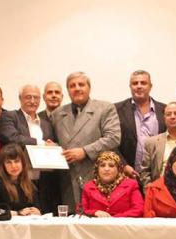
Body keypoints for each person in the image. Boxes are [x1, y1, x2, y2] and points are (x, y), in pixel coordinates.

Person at [50, 72, 122, 210]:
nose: (77, 88)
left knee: (98, 217)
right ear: (67, 90)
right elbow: (56, 142)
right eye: (72, 86)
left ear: (89, 87)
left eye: (81, 84)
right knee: (70, 219)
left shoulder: (105, 108)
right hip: (67, 181)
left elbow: (114, 137)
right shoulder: (57, 114)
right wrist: (53, 147)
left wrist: (85, 151)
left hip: (97, 177)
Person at [0, 84, 58, 211]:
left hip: (42, 182)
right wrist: (41, 143)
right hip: (17, 181)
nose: (32, 101)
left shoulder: (46, 124)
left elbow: (50, 146)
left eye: (36, 98)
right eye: (28, 97)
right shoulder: (9, 116)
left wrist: (54, 147)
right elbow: (11, 137)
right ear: (20, 98)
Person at [115, 70, 166, 178]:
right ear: (130, 86)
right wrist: (123, 165)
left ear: (150, 86)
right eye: (135, 83)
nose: (139, 86)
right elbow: (111, 142)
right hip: (126, 174)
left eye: (143, 83)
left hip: (157, 175)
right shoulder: (116, 110)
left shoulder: (164, 110)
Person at [140, 102, 176, 183]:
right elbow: (145, 172)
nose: (172, 117)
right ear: (164, 118)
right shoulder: (152, 142)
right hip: (159, 188)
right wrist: (150, 189)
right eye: (168, 114)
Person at [0, 144, 42, 215]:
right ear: (3, 165)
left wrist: (37, 212)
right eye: (8, 162)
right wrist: (16, 213)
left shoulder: (28, 183)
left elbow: (38, 209)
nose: (13, 166)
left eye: (17, 161)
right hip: (5, 222)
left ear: (23, 163)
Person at [81, 151, 144, 217]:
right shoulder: (88, 187)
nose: (106, 169)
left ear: (119, 169)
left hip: (122, 223)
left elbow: (139, 209)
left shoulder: (131, 185)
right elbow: (81, 211)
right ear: (97, 169)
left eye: (111, 166)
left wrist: (114, 219)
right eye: (102, 165)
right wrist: (94, 212)